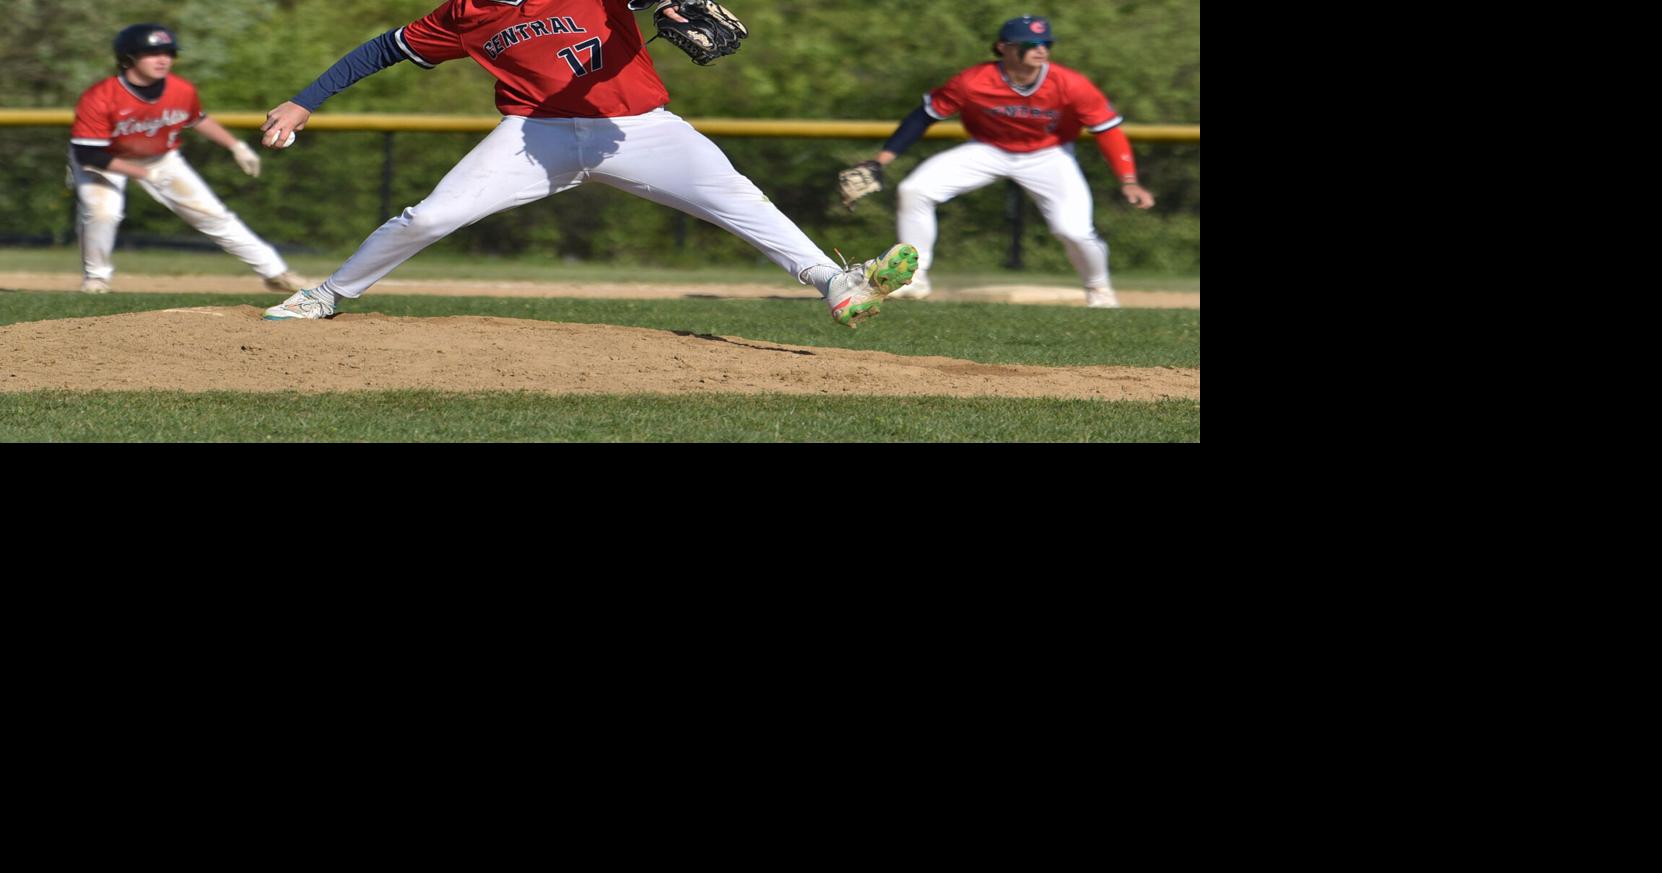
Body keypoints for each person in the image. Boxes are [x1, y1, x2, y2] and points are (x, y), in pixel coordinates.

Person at [258, 0, 917, 327]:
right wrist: (303, 101)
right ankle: (329, 294)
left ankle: (838, 282)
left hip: (642, 129)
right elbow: (383, 49)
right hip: (533, 137)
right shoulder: (465, 14)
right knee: (428, 217)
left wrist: (668, 3)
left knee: (741, 201)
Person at [844, 15, 1153, 308]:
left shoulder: (1070, 83)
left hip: (1048, 153)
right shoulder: (973, 81)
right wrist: (881, 160)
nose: (1040, 49)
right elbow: (924, 116)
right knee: (915, 190)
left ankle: (1099, 289)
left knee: (1072, 229)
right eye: (1029, 44)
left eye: (1046, 43)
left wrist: (1128, 180)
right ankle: (914, 280)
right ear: (1003, 47)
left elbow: (1107, 129)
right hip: (988, 150)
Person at [67, 24, 308, 295]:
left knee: (213, 215)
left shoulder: (180, 89)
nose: (163, 59)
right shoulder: (100, 96)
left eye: (169, 52)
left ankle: (276, 273)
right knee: (103, 212)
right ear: (129, 57)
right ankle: (96, 279)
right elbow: (88, 153)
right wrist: (144, 175)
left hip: (160, 158)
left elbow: (196, 120)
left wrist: (235, 145)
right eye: (151, 52)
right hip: (105, 160)